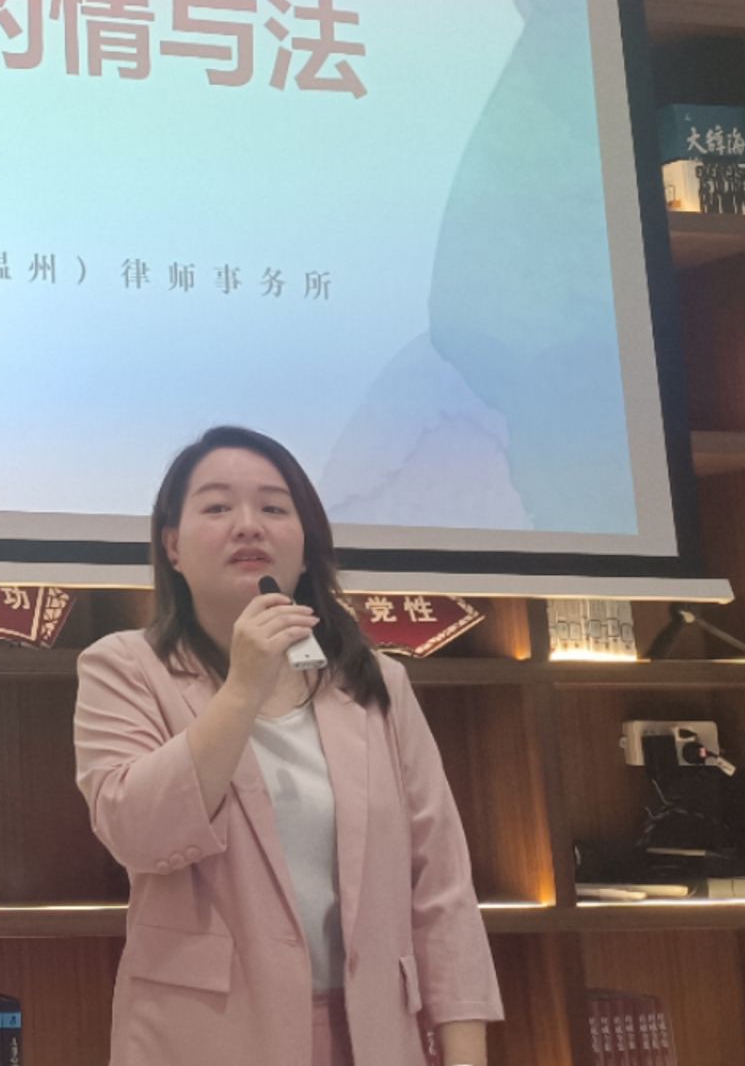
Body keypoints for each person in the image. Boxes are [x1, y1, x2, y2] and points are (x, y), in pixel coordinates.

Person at [72, 425, 502, 1065]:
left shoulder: (377, 683)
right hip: (205, 1041)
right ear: (173, 546)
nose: (248, 526)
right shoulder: (125, 667)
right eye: (217, 507)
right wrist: (243, 687)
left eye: (274, 508)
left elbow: (441, 887)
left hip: (373, 1038)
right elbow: (138, 832)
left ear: (306, 547)